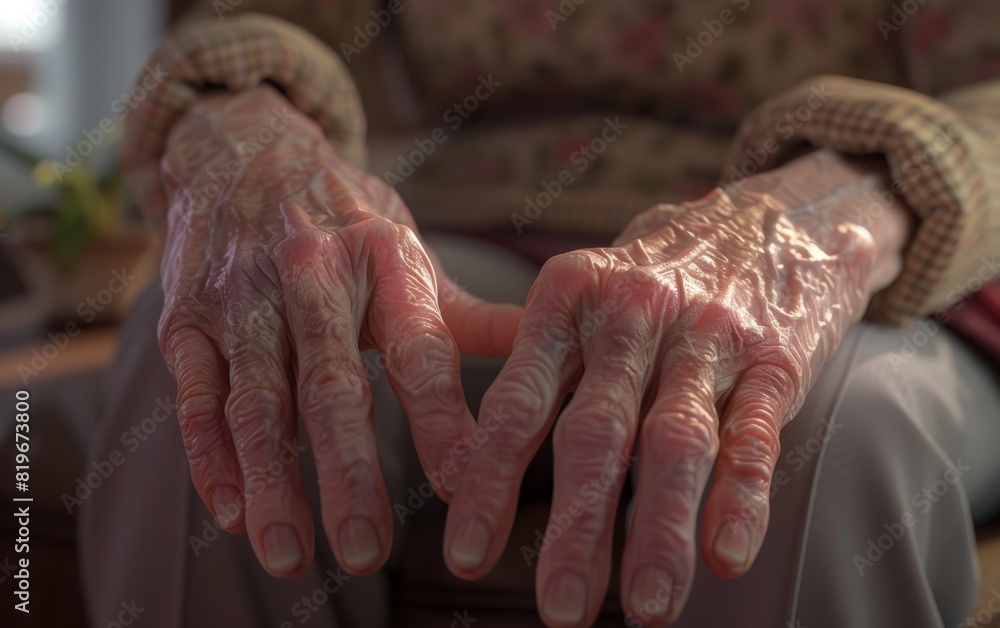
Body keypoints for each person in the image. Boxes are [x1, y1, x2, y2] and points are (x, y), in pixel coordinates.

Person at [80, 1, 1000, 626]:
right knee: (231, 362)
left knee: (817, 433)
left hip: (883, 235)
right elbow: (258, 21)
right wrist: (242, 130)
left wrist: (823, 216)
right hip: (469, 218)